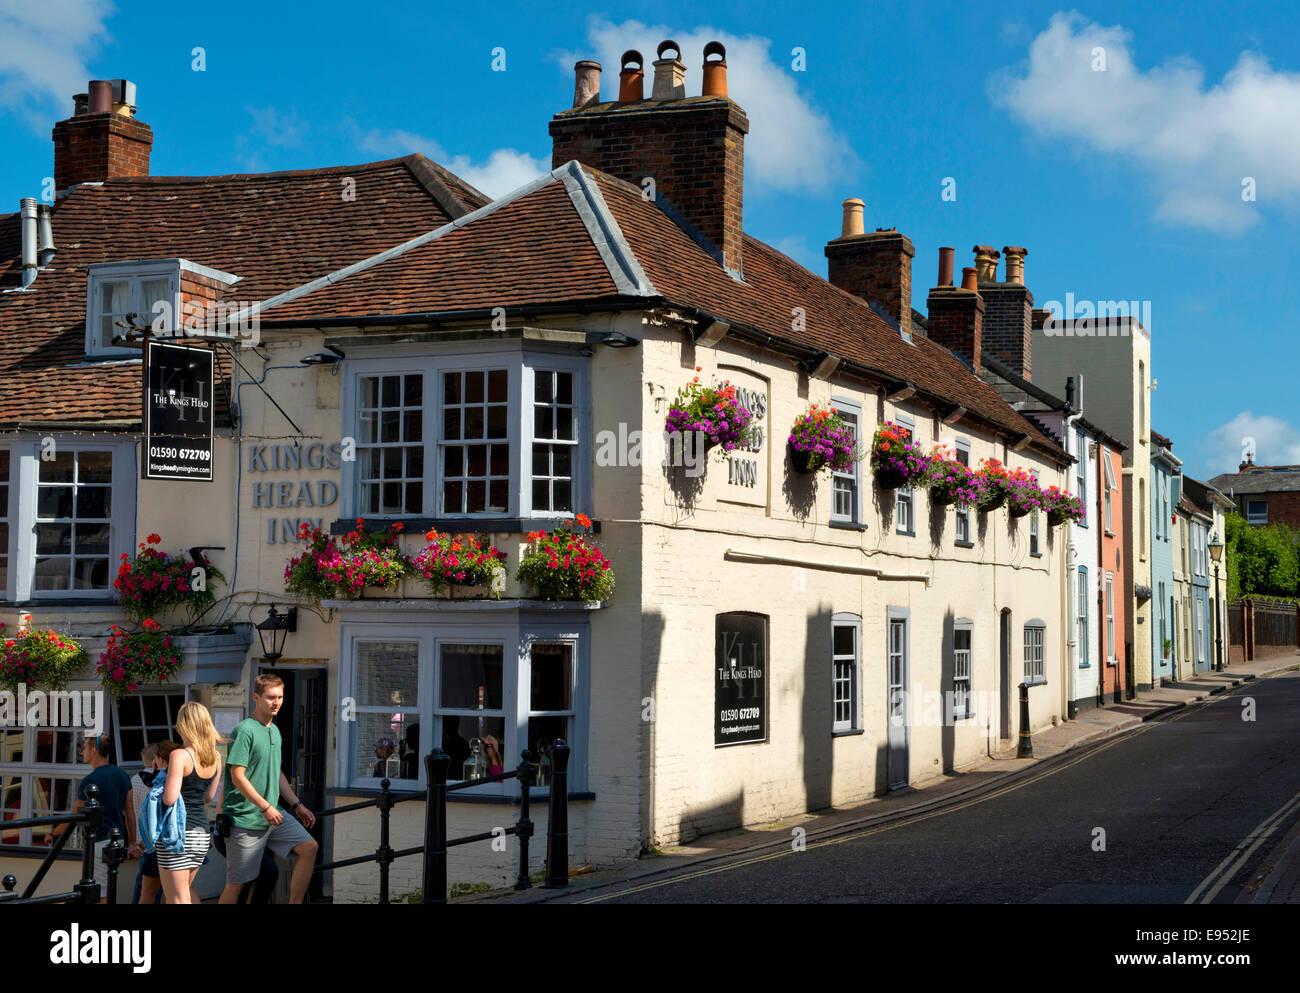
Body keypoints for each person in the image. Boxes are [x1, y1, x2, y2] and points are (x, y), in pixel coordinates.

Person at [219, 673, 318, 904]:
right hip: (245, 819)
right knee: (237, 884)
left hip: (273, 815)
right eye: (270, 697)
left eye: (280, 697)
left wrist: (297, 804)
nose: (276, 702)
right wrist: (264, 806)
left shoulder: (275, 730)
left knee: (309, 847)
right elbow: (237, 775)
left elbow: (277, 774)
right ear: (256, 697)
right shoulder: (245, 730)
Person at [47, 733, 134, 903]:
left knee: (101, 894)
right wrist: (131, 842)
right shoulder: (122, 775)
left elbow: (74, 815)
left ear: (94, 750)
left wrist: (54, 833)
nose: (81, 753)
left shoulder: (91, 779)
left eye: (84, 748)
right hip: (118, 840)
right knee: (109, 886)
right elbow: (130, 812)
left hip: (100, 840)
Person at [157, 703, 223, 904]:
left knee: (178, 899)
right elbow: (208, 797)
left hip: (177, 833)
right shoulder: (215, 757)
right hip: (201, 834)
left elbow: (170, 798)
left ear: (183, 725)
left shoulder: (180, 755)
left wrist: (155, 795)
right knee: (181, 895)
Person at [129, 741, 177, 905]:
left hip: (142, 840)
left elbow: (130, 811)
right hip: (157, 840)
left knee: (144, 890)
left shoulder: (135, 779)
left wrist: (134, 843)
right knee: (163, 890)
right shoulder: (166, 779)